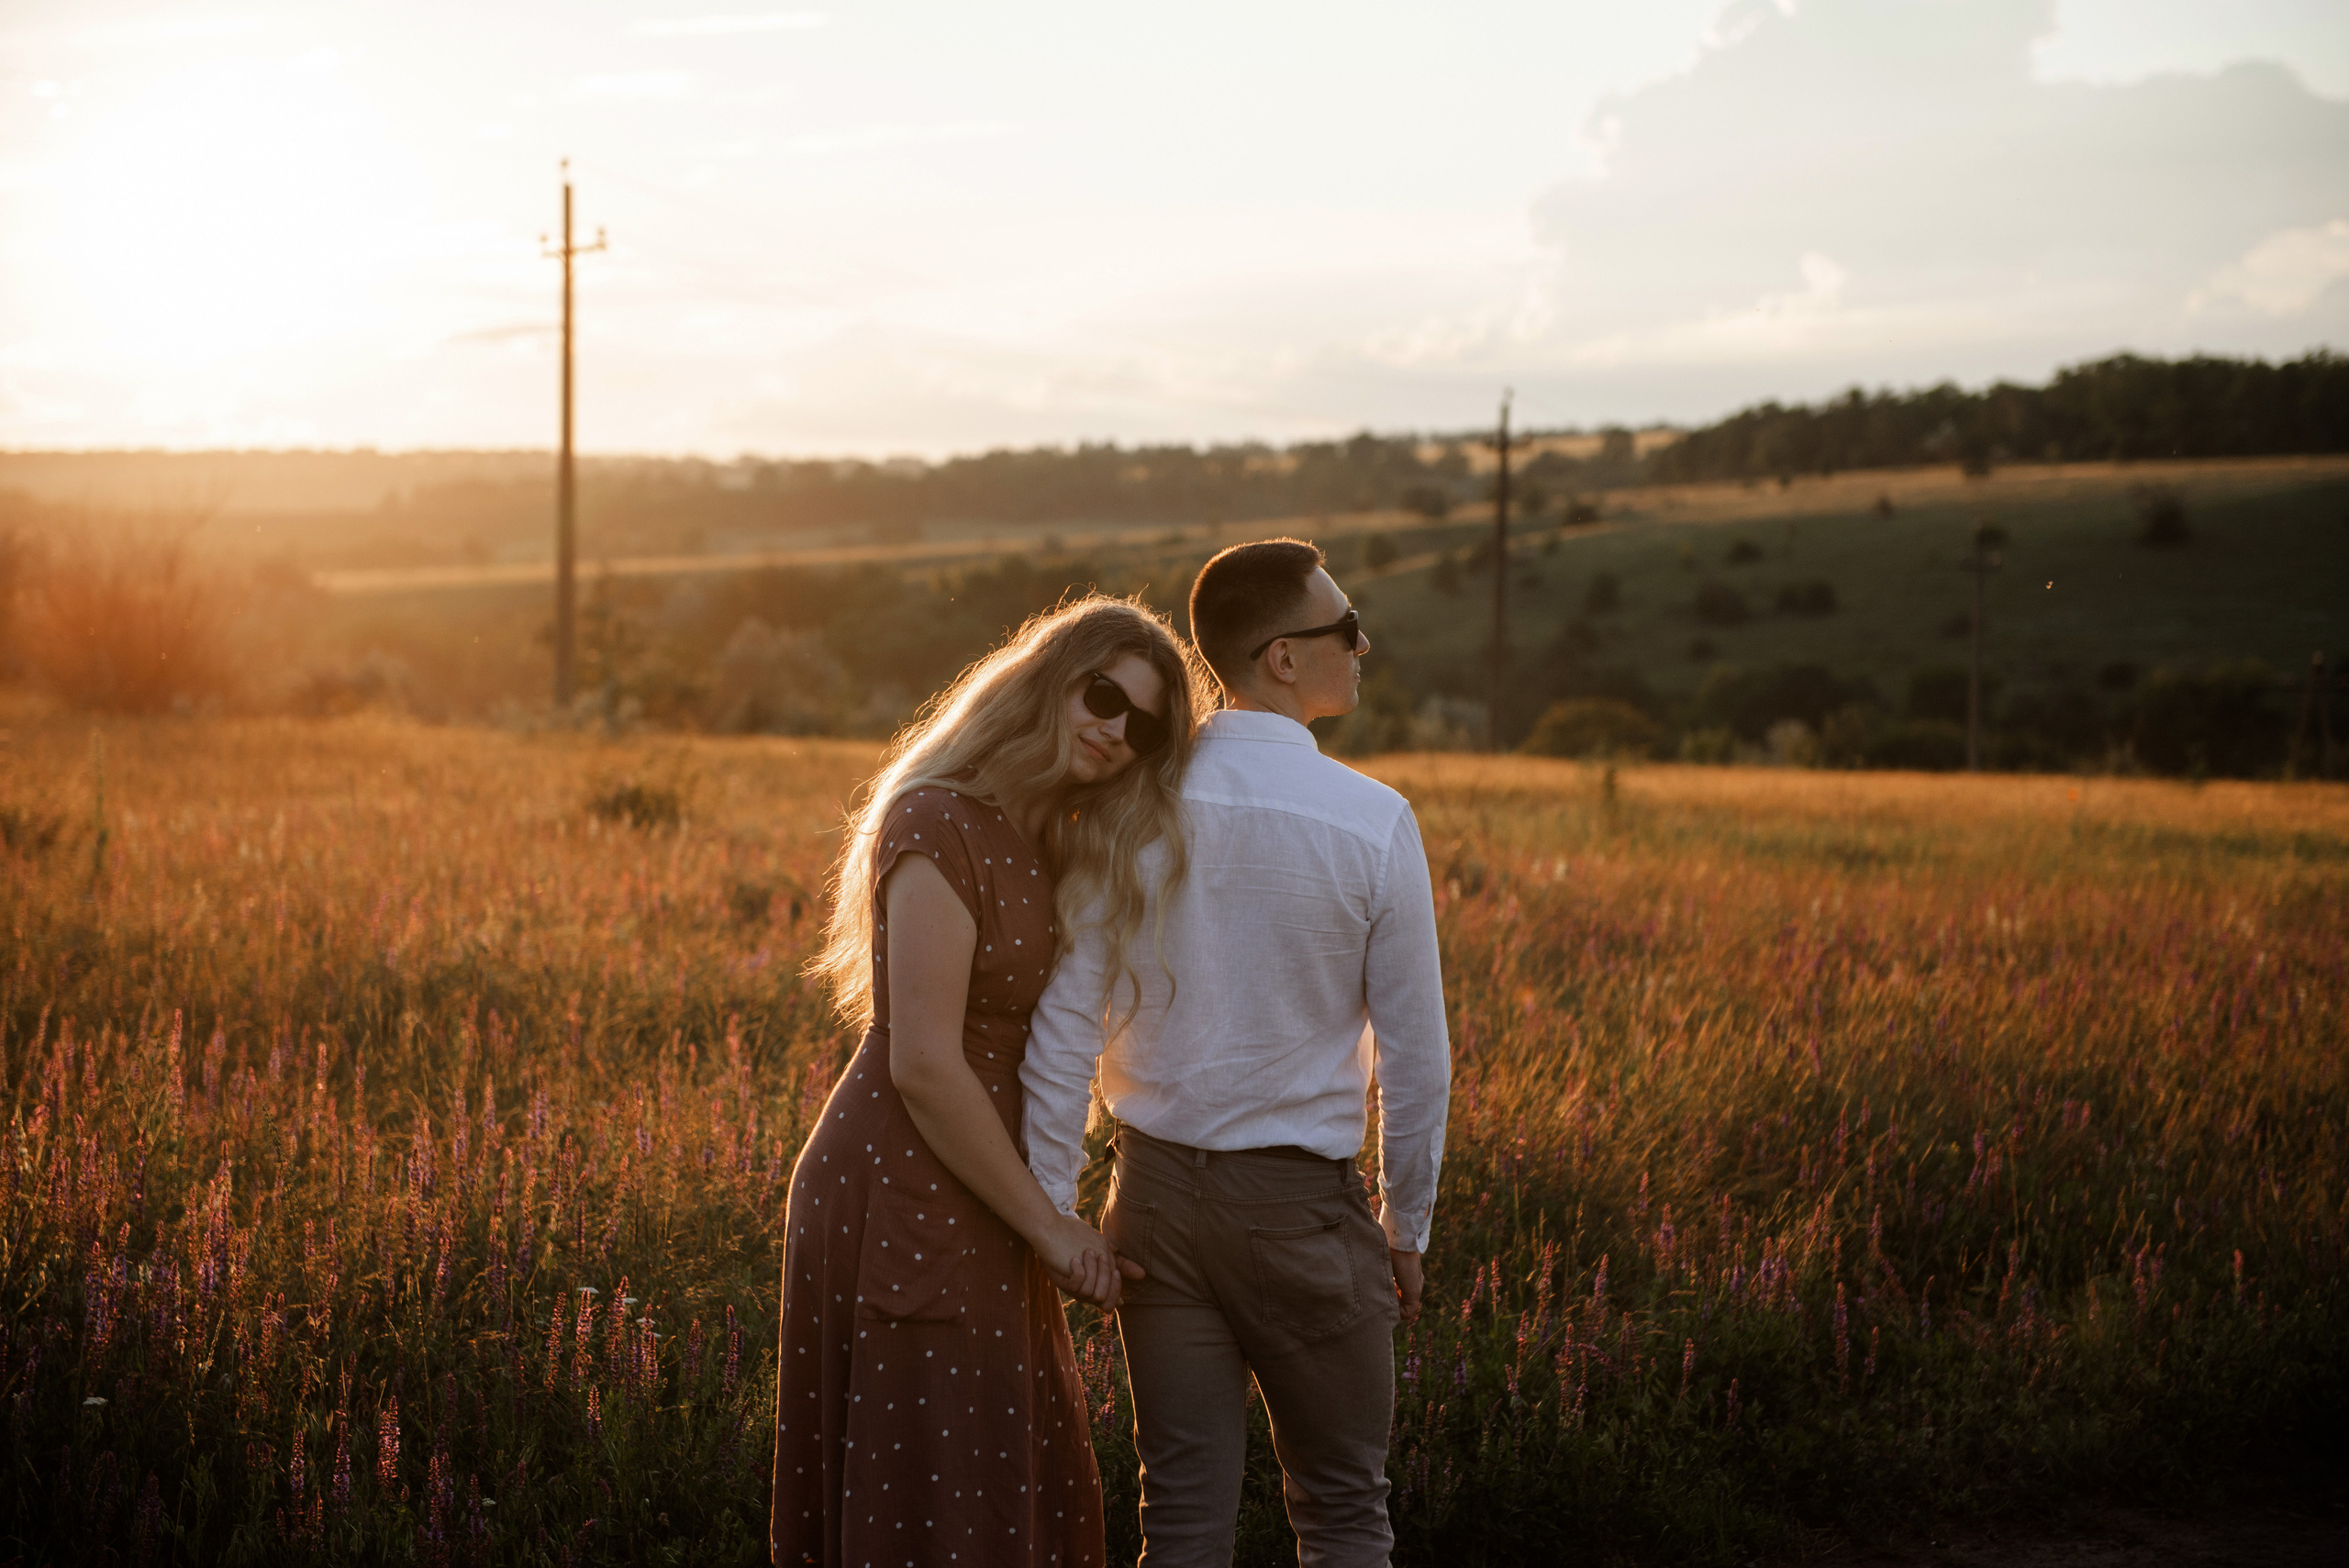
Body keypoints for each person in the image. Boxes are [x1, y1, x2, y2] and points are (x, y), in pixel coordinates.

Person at [1021, 539, 1452, 1568]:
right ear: (1282, 658)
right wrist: (1406, 1222)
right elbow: (1416, 1055)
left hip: (1153, 1206)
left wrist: (1053, 1215)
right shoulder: (1374, 822)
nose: (1363, 644)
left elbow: (1060, 1033)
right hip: (1301, 1211)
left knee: (1178, 1518)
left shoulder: (1124, 810)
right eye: (1344, 628)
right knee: (1344, 1512)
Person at [772, 595, 1210, 1568]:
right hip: (906, 1175)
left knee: (983, 1469)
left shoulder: (1055, 834)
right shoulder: (939, 817)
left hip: (984, 1180)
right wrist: (1050, 1223)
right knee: (925, 1480)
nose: (1114, 729)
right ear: (1048, 679)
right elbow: (923, 1060)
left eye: (1141, 725)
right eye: (1103, 695)